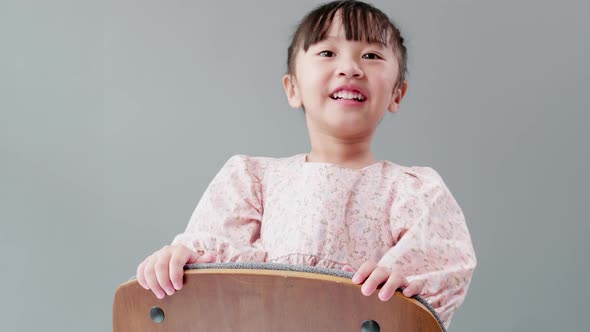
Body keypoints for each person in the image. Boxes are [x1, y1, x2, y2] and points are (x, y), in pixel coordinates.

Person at [136, 0, 476, 328]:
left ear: (397, 95)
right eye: (327, 53)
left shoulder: (416, 192)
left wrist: (404, 289)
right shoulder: (252, 179)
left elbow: (435, 278)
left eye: (371, 55)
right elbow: (213, 275)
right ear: (292, 88)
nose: (350, 68)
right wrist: (175, 262)